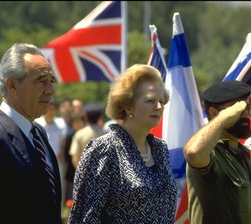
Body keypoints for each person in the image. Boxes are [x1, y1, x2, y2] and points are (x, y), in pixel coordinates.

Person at [68, 64, 178, 223]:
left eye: (161, 101)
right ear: (128, 106)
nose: (159, 107)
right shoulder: (103, 150)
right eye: (150, 100)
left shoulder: (160, 148)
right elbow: (84, 217)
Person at [0, 43, 62, 224]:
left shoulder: (38, 133)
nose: (51, 90)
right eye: (41, 80)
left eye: (51, 80)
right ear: (12, 85)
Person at [184, 80, 251, 224]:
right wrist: (223, 118)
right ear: (214, 113)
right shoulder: (211, 153)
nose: (246, 114)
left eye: (248, 108)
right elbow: (193, 152)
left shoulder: (242, 155)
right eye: (238, 110)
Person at [35, 98, 66, 207]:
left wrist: (61, 151)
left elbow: (63, 142)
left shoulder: (61, 124)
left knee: (58, 187)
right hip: (41, 162)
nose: (51, 111)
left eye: (53, 109)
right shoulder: (38, 123)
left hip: (57, 162)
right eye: (49, 109)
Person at [69, 102, 106, 169]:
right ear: (99, 117)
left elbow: (75, 157)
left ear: (86, 117)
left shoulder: (79, 134)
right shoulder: (105, 134)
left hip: (85, 172)